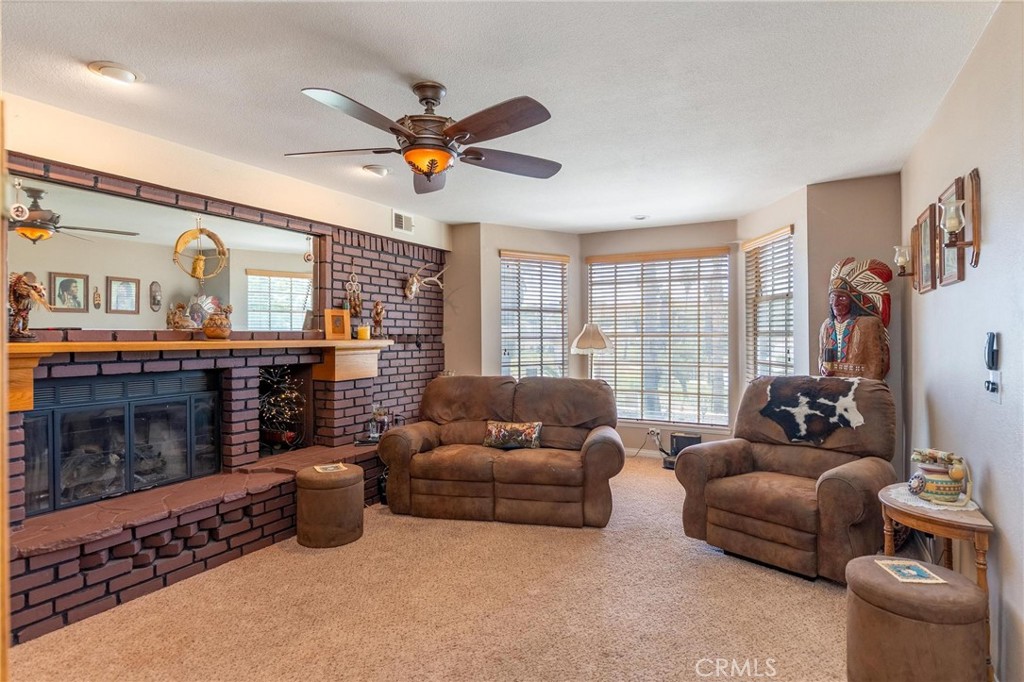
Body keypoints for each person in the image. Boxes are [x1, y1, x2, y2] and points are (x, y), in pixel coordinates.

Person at [818, 257, 892, 381]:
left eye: (842, 298)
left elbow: (877, 363)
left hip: (861, 388)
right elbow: (821, 355)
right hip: (832, 387)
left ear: (853, 301)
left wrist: (867, 387)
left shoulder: (869, 325)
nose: (835, 303)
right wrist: (822, 368)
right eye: (832, 298)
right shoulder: (826, 325)